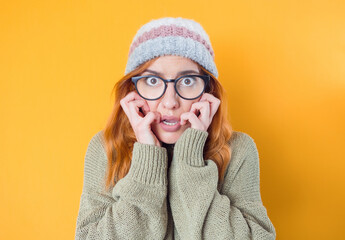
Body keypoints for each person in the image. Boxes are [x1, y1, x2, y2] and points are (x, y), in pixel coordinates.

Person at [75, 17, 276, 240]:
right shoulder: (106, 149)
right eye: (153, 81)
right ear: (131, 91)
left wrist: (191, 162)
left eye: (188, 81)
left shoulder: (237, 150)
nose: (170, 102)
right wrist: (146, 161)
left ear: (208, 91)